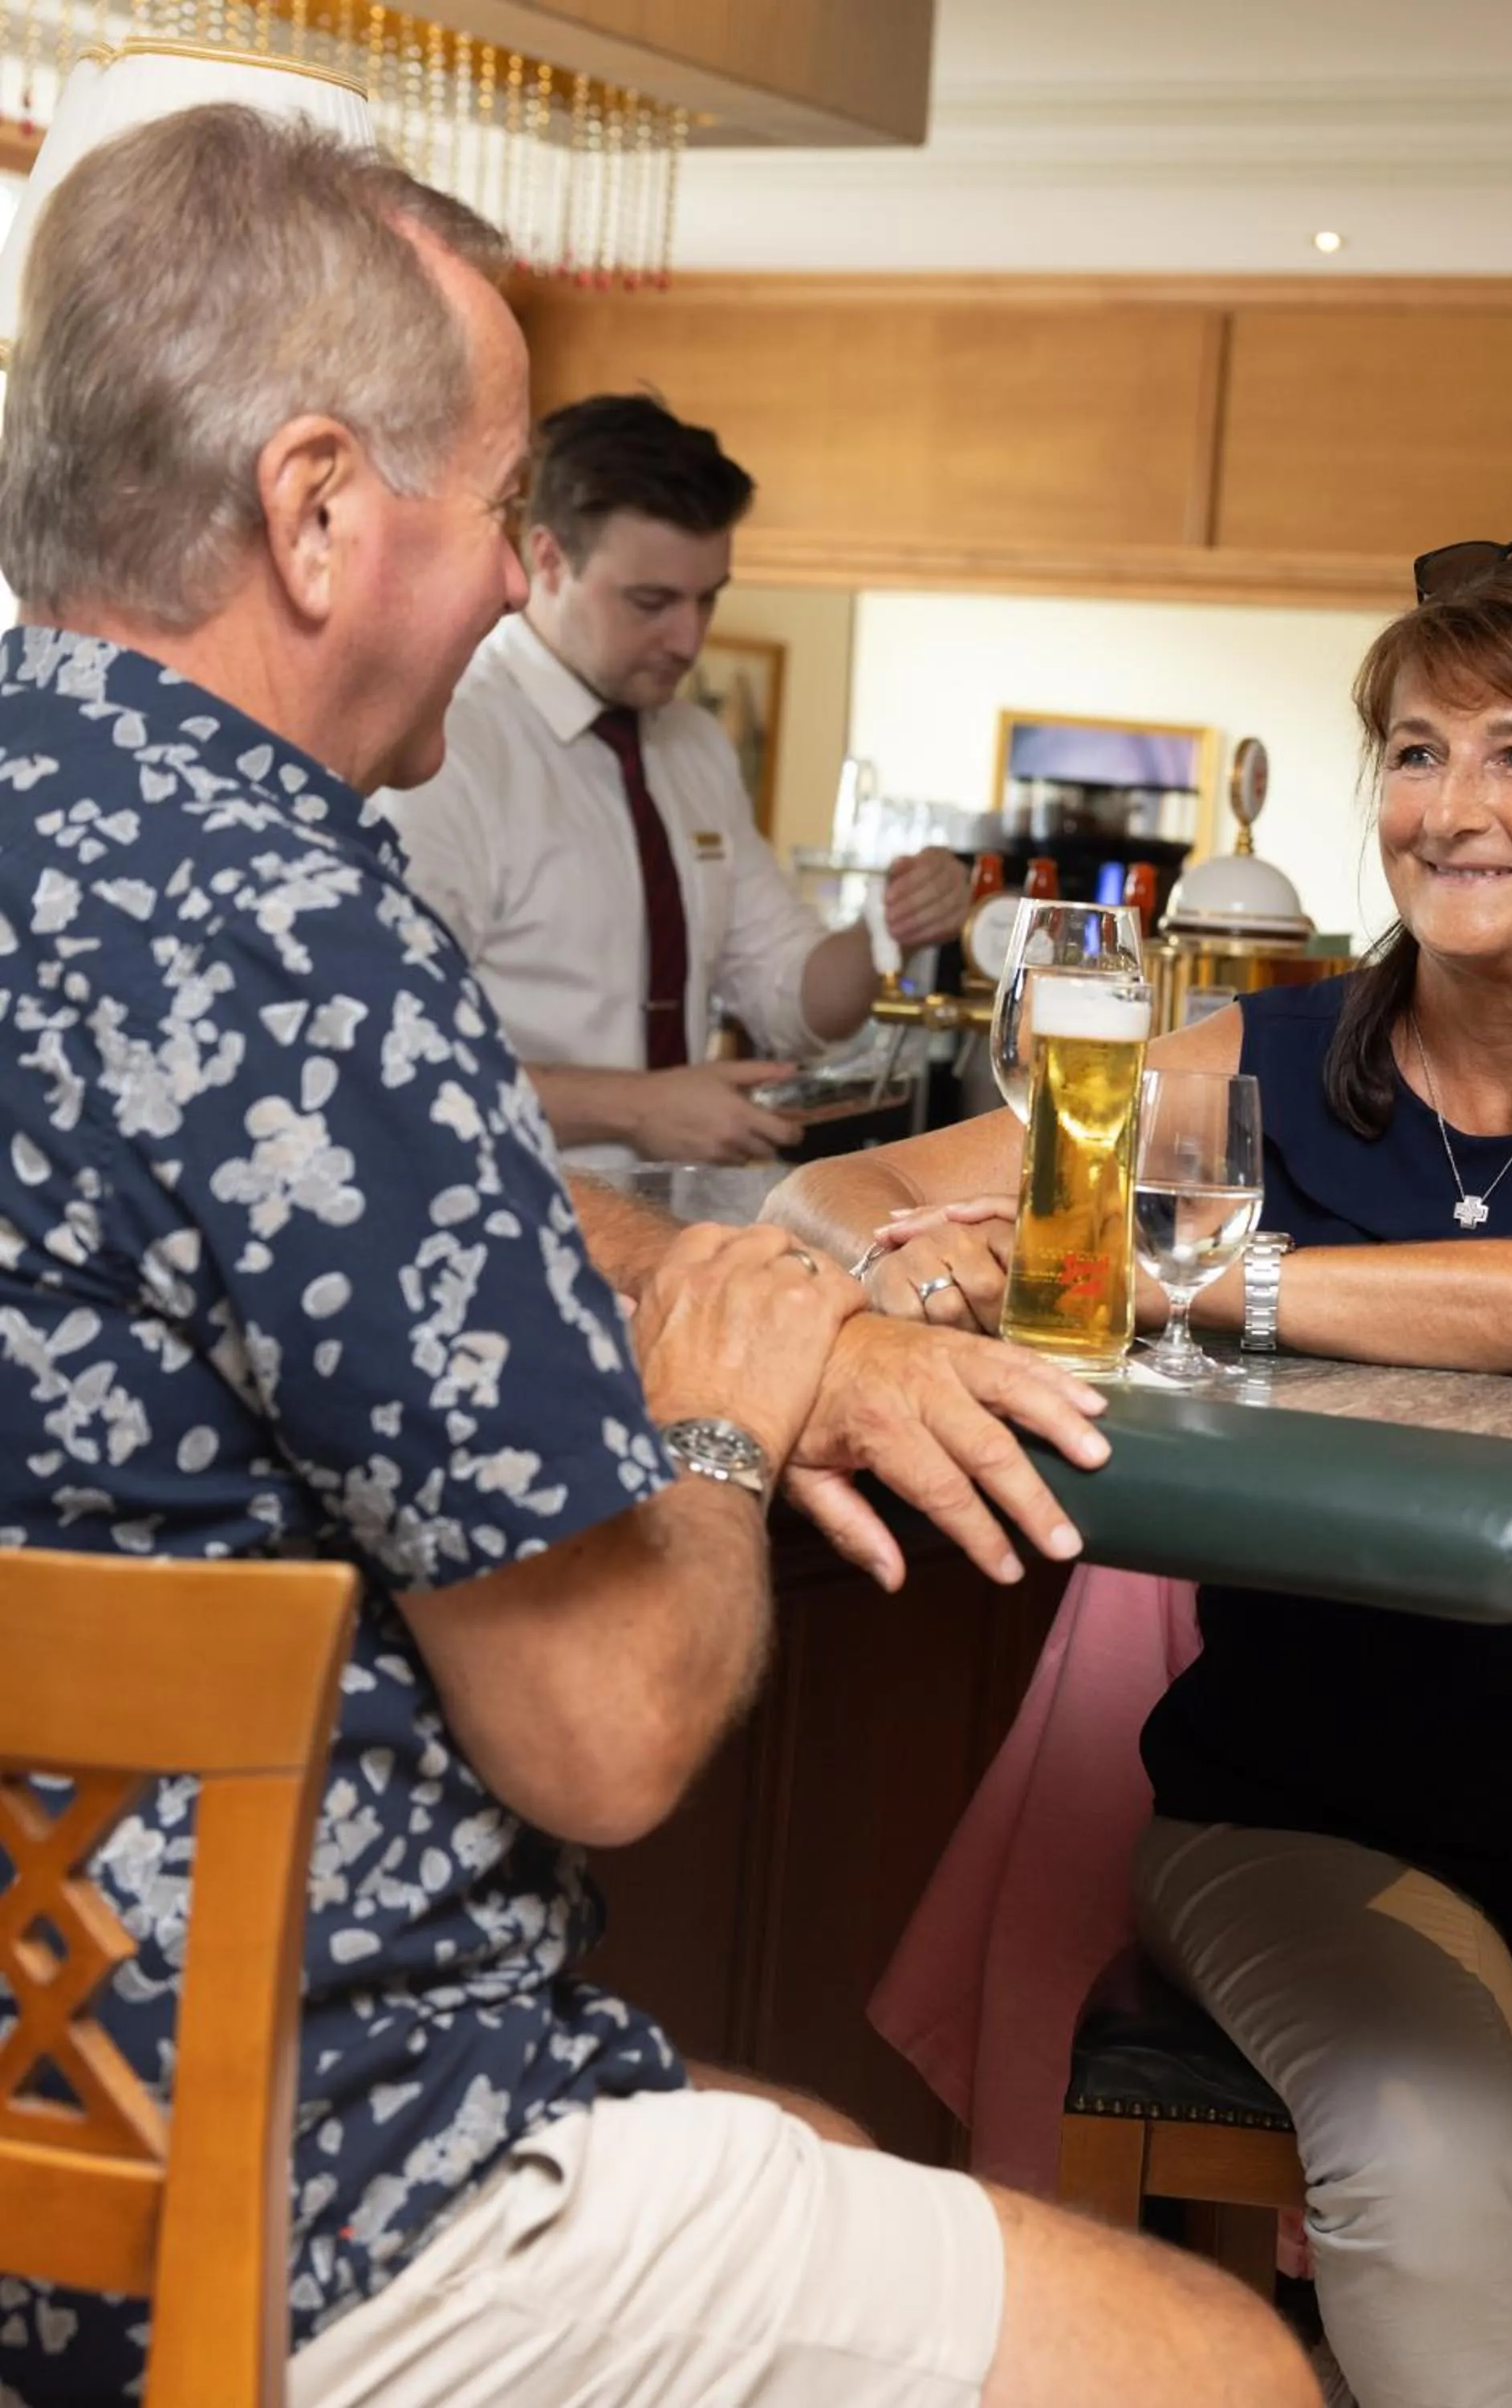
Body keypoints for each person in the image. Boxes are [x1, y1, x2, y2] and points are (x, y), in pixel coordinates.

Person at [0, 104, 1313, 2408]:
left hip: (45, 2104)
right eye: (497, 514)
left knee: (786, 2128)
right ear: (315, 512)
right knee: (1221, 2368)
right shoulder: (299, 928)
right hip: (259, 2186)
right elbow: (602, 1736)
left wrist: (662, 1264)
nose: (520, 586)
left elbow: (306, 1212)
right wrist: (721, 1393)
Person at [765, 538, 1512, 2408]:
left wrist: (1202, 1277)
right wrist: (911, 1267)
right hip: (1293, 1811)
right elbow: (836, 1188)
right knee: (1428, 2161)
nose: (1453, 807)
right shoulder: (1245, 1060)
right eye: (1415, 753)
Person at [380, 391, 971, 1169]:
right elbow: (395, 1055)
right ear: (548, 558)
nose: (688, 639)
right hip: (498, 1222)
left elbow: (789, 998)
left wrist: (890, 928)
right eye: (651, 602)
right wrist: (631, 1111)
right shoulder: (447, 742)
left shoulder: (694, 746)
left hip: (671, 1233)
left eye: (708, 599)